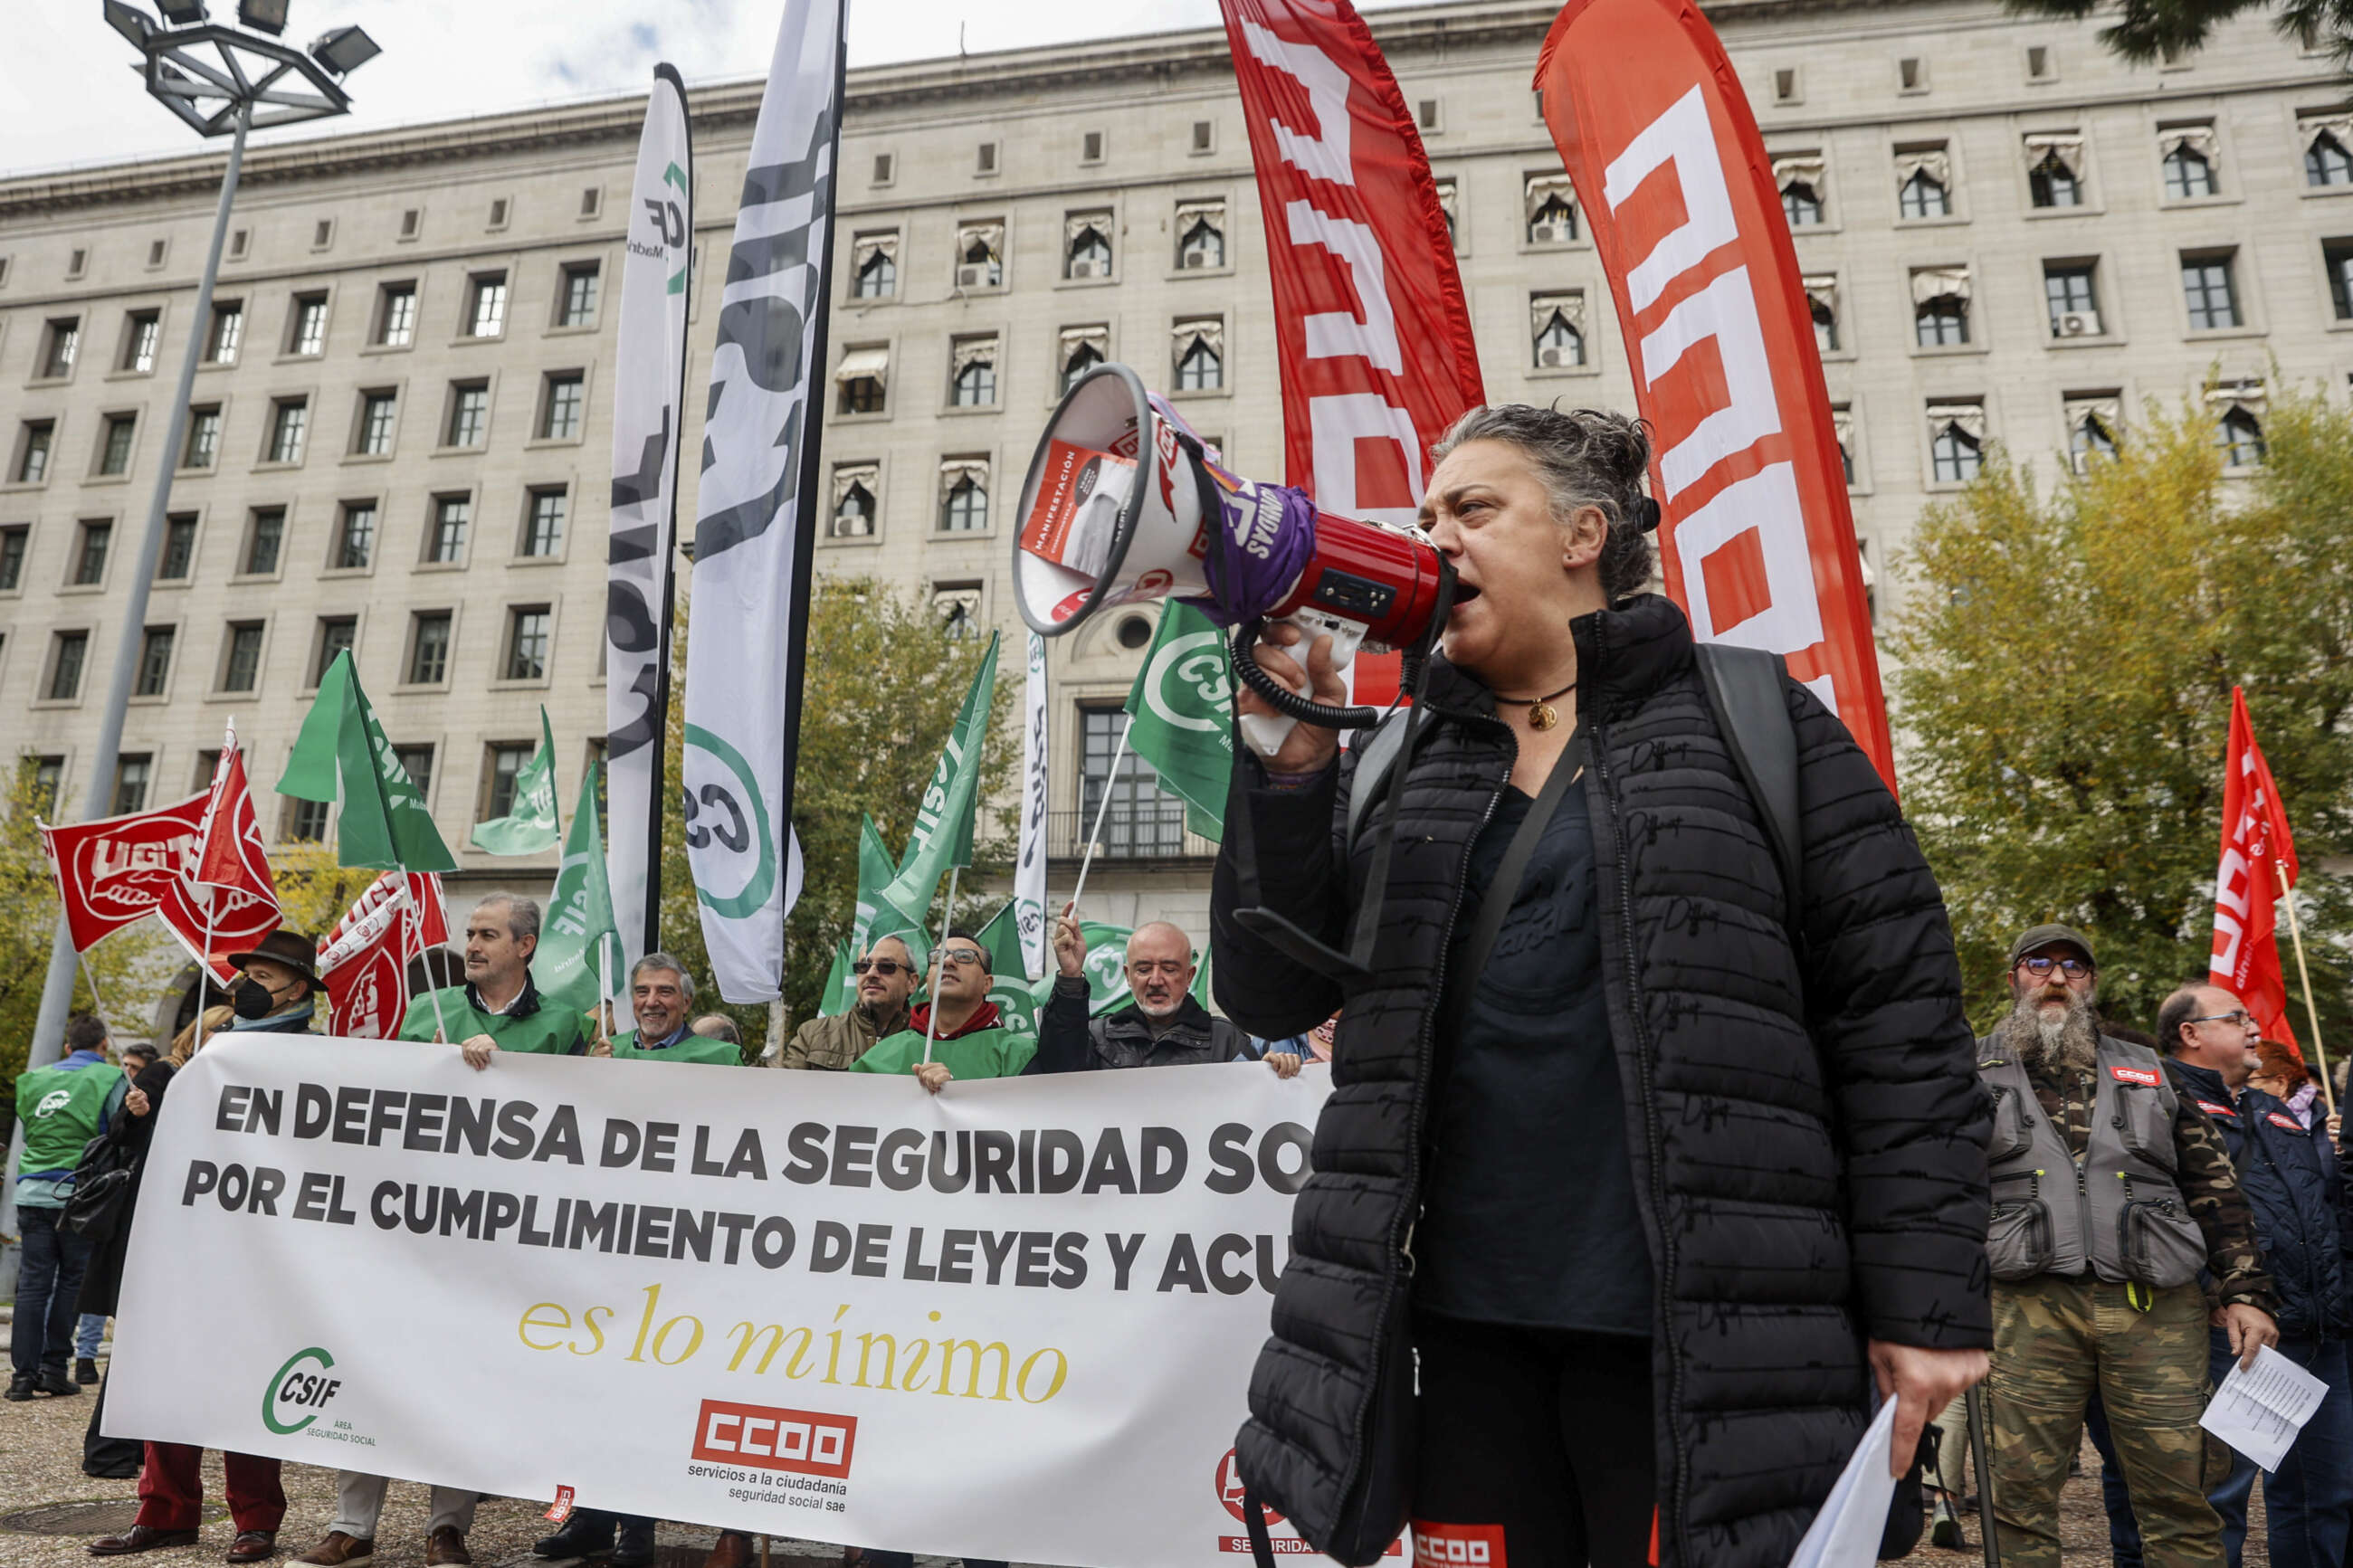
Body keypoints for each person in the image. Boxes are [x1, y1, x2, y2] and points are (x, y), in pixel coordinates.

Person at [1211, 404, 1992, 1568]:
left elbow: (1902, 1030)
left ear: (1582, 534)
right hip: (1462, 1332)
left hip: (1705, 1340)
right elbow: (1269, 993)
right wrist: (1288, 765)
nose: (1434, 541)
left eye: (1472, 509)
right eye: (1425, 517)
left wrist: (1923, 1309)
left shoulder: (1753, 722)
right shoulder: (1399, 754)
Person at [1977, 927, 2277, 1568]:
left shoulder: (2151, 1069)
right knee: (2016, 1498)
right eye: (2039, 964)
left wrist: (2246, 1290)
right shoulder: (1968, 1071)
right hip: (2023, 1306)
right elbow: (1934, 1190)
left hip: (2155, 1308)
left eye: (2074, 967)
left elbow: (2214, 1187)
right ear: (2015, 980)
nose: (2056, 977)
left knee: (2182, 1497)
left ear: (2091, 984)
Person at [2088, 984, 2351, 1568]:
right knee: (2214, 1501)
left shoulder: (2274, 1110)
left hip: (2316, 1330)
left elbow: (2325, 1206)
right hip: (2225, 1335)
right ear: (2192, 1033)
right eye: (2238, 1018)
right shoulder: (2154, 1105)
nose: (2256, 1028)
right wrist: (2217, 1292)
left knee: (2324, 1498)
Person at [91, 938, 321, 1562]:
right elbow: (124, 1135)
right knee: (168, 1373)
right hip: (182, 1241)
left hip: (261, 1249)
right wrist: (137, 1110)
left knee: (248, 1377)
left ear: (298, 988)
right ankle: (165, 1512)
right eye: (244, 973)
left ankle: (255, 1518)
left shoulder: (317, 1057)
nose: (247, 983)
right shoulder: (201, 1052)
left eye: (264, 974)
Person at [526, 955, 733, 1568]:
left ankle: (635, 1531)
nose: (651, 1000)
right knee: (583, 1391)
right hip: (598, 1248)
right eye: (641, 989)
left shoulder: (717, 1062)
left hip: (672, 1252)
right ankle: (577, 1517)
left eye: (665, 991)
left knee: (642, 1395)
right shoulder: (601, 1052)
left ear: (686, 1003)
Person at [1032, 908, 1299, 1077]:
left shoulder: (1227, 1041)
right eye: (1144, 968)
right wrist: (1070, 976)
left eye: (1169, 969)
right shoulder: (1096, 1036)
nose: (1156, 980)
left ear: (1189, 976)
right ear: (1127, 976)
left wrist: (1272, 1071)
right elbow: (1059, 1067)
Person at [10, 1012, 116, 1402]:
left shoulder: (33, 1080)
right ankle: (55, 1368)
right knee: (72, 1282)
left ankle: (22, 1376)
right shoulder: (110, 1078)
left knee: (33, 1286)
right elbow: (118, 1130)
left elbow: (31, 1124)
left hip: (31, 1191)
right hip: (78, 1195)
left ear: (67, 1047)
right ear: (103, 1045)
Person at [80, 1039, 172, 1479]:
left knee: (151, 1340)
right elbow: (121, 1133)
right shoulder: (167, 1073)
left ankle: (127, 1444)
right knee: (139, 1339)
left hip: (169, 1227)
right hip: (151, 1227)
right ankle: (108, 1448)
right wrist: (136, 1113)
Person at [396, 895, 584, 1063]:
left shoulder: (563, 1025)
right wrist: (432, 1066)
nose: (472, 947)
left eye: (488, 936)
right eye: (470, 935)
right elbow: (396, 1085)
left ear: (525, 945)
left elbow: (572, 1095)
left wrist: (502, 1062)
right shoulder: (425, 1009)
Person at [851, 931, 1032, 1090]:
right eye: (938, 957)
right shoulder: (880, 1056)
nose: (947, 961)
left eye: (965, 956)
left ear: (987, 983)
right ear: (927, 978)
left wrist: (954, 1093)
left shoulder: (1020, 1054)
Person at [776, 935, 915, 1070]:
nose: (871, 973)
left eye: (886, 966)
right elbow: (788, 1092)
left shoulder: (929, 1042)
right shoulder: (812, 1035)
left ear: (912, 982)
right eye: (863, 966)